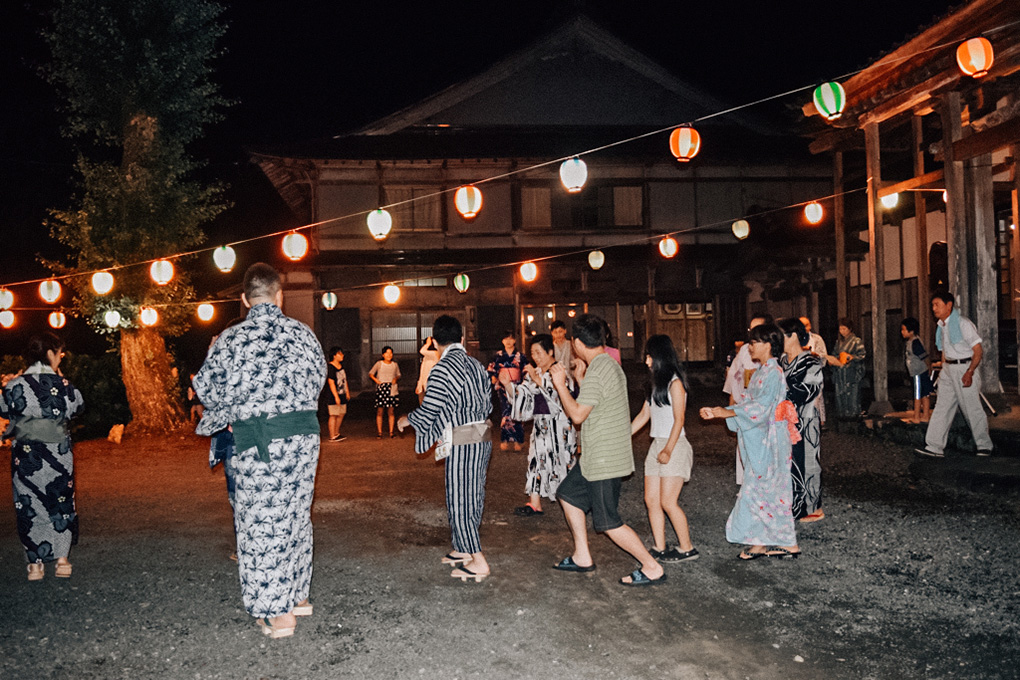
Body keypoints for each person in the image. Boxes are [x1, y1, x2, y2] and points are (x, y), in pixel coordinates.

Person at [194, 263, 326, 639]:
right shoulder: (304, 335)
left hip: (258, 441)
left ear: (244, 299)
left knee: (260, 522)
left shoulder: (230, 340)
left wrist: (235, 408)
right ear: (279, 295)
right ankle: (297, 593)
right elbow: (317, 382)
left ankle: (276, 611)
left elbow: (208, 389)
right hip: (303, 440)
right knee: (297, 514)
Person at [549, 314, 666, 586]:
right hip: (597, 456)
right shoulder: (605, 366)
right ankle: (582, 555)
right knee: (567, 494)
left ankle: (651, 566)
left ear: (577, 343)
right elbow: (594, 404)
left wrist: (560, 385)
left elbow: (577, 415)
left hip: (604, 459)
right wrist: (578, 380)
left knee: (609, 522)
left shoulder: (600, 370)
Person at [398, 315, 494, 582]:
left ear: (434, 341)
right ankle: (463, 547)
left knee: (461, 497)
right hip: (483, 436)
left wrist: (409, 419)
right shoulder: (477, 365)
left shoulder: (442, 368)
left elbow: (431, 408)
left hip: (464, 438)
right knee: (470, 495)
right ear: (462, 339)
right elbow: (488, 403)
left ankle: (478, 559)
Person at [700, 322, 801, 560]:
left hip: (771, 440)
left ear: (768, 345)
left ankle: (783, 542)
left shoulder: (773, 373)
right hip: (766, 437)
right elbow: (751, 406)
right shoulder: (763, 372)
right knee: (762, 491)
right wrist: (722, 411)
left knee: (766, 490)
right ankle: (763, 542)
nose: (750, 347)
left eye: (754, 342)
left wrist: (726, 412)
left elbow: (760, 408)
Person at [2, 333, 84, 581]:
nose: (61, 357)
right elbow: (78, 406)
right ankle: (62, 559)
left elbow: (4, 407)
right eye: (59, 353)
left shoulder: (14, 385)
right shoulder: (63, 385)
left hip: (27, 453)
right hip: (58, 452)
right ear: (50, 353)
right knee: (60, 501)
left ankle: (35, 564)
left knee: (28, 503)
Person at [630, 335, 698, 563]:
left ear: (659, 356)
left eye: (649, 356)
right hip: (656, 444)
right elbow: (644, 415)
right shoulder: (655, 384)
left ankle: (687, 548)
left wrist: (668, 449)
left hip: (675, 445)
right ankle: (659, 546)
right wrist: (622, 436)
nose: (647, 361)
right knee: (651, 500)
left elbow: (679, 420)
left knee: (668, 501)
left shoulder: (675, 383)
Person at [500, 333, 577, 517]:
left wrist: (537, 380)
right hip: (541, 425)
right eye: (533, 353)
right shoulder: (535, 373)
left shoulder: (560, 370)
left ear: (550, 351)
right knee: (536, 460)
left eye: (539, 352)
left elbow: (560, 398)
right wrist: (508, 385)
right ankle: (535, 503)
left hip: (560, 426)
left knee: (562, 462)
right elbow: (522, 395)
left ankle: (573, 500)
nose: (535, 357)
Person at [916, 291, 994, 458]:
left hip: (965, 367)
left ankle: (984, 445)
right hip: (949, 369)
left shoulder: (963, 324)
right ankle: (934, 446)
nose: (933, 308)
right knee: (941, 407)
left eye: (937, 304)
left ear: (949, 305)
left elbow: (978, 351)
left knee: (972, 408)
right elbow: (945, 350)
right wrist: (944, 368)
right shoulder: (942, 326)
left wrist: (970, 372)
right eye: (932, 305)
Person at [779, 318, 825, 523]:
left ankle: (812, 507)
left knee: (807, 462)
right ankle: (793, 504)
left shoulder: (812, 361)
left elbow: (808, 390)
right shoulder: (780, 361)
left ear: (793, 336)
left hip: (804, 418)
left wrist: (778, 392)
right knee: (788, 462)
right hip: (782, 419)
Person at [723, 314, 772, 484]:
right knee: (744, 446)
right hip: (745, 403)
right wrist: (730, 408)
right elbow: (733, 380)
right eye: (751, 329)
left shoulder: (774, 354)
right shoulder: (744, 350)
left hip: (764, 408)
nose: (753, 333)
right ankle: (746, 484)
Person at [487, 330, 525, 451]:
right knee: (505, 412)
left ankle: (518, 441)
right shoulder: (498, 356)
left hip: (517, 387)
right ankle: (504, 439)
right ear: (502, 341)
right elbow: (491, 370)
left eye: (510, 339)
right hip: (502, 387)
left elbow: (526, 371)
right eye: (505, 339)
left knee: (517, 411)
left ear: (514, 340)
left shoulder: (520, 356)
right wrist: (493, 377)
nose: (508, 341)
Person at [826, 318, 866, 419]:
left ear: (850, 329)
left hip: (851, 372)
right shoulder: (838, 342)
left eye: (844, 329)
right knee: (840, 394)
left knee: (852, 395)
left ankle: (854, 416)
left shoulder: (857, 341)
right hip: (840, 372)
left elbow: (862, 355)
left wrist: (852, 357)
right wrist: (832, 360)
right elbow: (835, 354)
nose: (842, 331)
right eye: (840, 329)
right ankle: (842, 417)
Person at [900, 317, 933, 424]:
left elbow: (924, 356)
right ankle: (925, 416)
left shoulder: (915, 342)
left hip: (918, 373)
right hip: (919, 372)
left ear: (911, 331)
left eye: (904, 329)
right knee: (924, 394)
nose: (902, 332)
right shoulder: (911, 342)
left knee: (918, 395)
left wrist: (929, 367)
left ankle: (917, 417)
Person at [799, 316, 827, 428]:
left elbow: (824, 356)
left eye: (806, 325)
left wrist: (815, 355)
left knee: (816, 398)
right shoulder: (795, 340)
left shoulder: (817, 339)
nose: (804, 328)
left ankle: (819, 423)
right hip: (800, 374)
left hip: (814, 372)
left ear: (810, 326)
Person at [369, 346, 401, 439]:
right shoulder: (379, 364)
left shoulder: (394, 364)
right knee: (380, 411)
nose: (389, 355)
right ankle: (379, 432)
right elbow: (371, 373)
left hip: (392, 388)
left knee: (391, 411)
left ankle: (391, 432)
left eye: (390, 353)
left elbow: (398, 374)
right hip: (381, 388)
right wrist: (376, 380)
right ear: (383, 354)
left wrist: (395, 378)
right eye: (387, 353)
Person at [326, 346, 350, 442]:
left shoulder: (341, 366)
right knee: (333, 414)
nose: (342, 355)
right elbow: (331, 382)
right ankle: (332, 435)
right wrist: (336, 396)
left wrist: (347, 391)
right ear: (334, 355)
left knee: (341, 413)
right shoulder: (330, 367)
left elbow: (344, 380)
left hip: (342, 393)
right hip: (333, 395)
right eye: (340, 354)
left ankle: (336, 433)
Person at [416, 337, 440, 405]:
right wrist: (419, 384)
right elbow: (422, 372)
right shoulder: (426, 357)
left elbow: (422, 351)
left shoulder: (435, 353)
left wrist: (428, 343)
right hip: (423, 385)